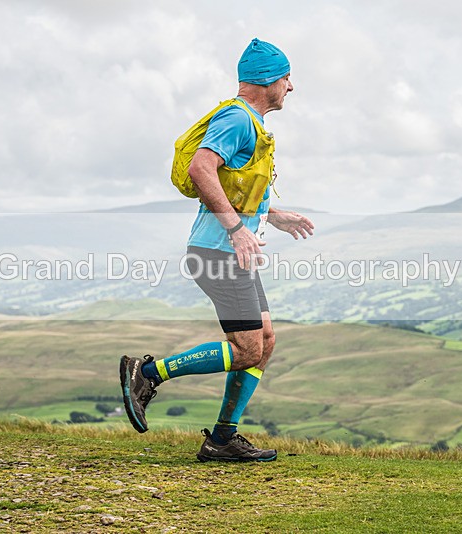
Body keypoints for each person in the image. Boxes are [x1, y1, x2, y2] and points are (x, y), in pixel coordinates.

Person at [120, 38, 314, 462]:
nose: (291, 88)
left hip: (229, 254)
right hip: (217, 254)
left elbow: (233, 186)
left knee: (264, 340)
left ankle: (223, 438)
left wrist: (272, 216)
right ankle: (147, 373)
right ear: (268, 81)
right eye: (287, 78)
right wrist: (235, 229)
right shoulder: (237, 118)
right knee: (246, 348)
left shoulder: (250, 123)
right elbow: (201, 167)